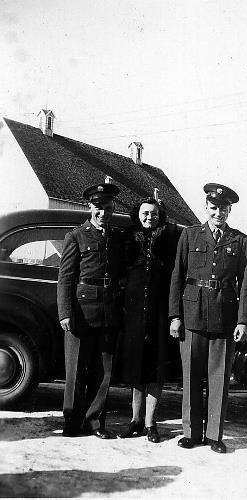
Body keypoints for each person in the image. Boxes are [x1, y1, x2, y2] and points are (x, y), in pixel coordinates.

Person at [169, 183, 247, 453]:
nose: (219, 213)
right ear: (206, 208)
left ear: (229, 211)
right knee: (191, 377)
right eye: (214, 208)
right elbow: (177, 278)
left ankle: (215, 434)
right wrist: (175, 316)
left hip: (224, 317)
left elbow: (245, 283)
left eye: (224, 209)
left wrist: (243, 321)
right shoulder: (190, 235)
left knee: (219, 379)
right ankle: (191, 433)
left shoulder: (240, 240)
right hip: (192, 314)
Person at [57, 182, 123, 438]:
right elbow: (65, 278)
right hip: (81, 312)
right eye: (98, 208)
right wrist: (65, 313)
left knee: (103, 371)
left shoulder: (116, 237)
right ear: (90, 207)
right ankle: (72, 422)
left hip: (108, 311)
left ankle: (93, 421)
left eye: (107, 208)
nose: (102, 213)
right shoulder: (76, 236)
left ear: (113, 208)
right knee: (75, 370)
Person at [118, 197, 180, 443]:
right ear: (138, 214)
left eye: (154, 214)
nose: (149, 218)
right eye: (145, 213)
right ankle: (134, 420)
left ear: (160, 216)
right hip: (133, 315)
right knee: (136, 369)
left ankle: (150, 423)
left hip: (159, 313)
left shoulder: (169, 238)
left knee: (155, 370)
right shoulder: (128, 236)